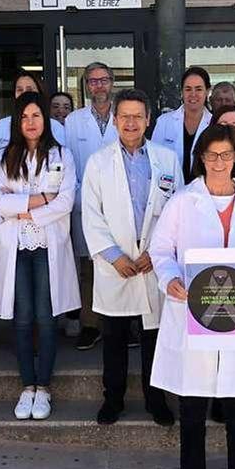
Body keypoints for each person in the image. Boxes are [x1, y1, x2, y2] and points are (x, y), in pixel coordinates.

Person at [149, 124, 235, 469]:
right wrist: (169, 278)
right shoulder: (181, 201)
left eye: (226, 154)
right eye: (211, 155)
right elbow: (160, 249)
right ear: (201, 158)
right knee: (192, 410)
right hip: (194, 314)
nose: (219, 162)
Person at [81, 88, 182, 427]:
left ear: (148, 120)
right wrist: (113, 255)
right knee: (114, 338)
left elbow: (177, 210)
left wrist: (158, 252)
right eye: (124, 116)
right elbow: (91, 214)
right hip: (116, 266)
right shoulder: (98, 162)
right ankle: (113, 399)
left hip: (154, 262)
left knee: (155, 337)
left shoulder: (166, 159)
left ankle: (157, 400)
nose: (131, 122)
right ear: (114, 120)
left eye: (138, 116)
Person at [0, 91, 81, 421]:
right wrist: (40, 199)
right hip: (15, 247)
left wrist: (22, 209)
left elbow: (66, 201)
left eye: (36, 116)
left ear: (46, 120)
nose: (31, 122)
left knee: (46, 316)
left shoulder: (62, 155)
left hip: (47, 246)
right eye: (25, 117)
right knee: (22, 317)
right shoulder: (4, 157)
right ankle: (26, 385)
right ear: (17, 121)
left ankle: (43, 387)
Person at [65, 61, 119, 350]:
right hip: (84, 204)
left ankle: (119, 324)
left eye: (103, 80)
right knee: (88, 268)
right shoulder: (73, 121)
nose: (98, 85)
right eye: (93, 81)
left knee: (118, 263)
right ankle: (90, 324)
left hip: (119, 205)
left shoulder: (123, 116)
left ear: (112, 82)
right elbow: (69, 164)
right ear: (86, 86)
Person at [0, 70, 66, 172]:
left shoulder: (56, 127)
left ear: (39, 92)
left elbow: (61, 167)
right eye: (19, 90)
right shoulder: (1, 126)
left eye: (29, 89)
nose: (24, 93)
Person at [150, 66, 213, 183]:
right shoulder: (164, 122)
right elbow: (154, 160)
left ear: (207, 92)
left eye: (198, 89)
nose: (193, 94)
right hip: (170, 192)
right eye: (188, 89)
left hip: (204, 193)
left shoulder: (215, 124)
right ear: (182, 92)